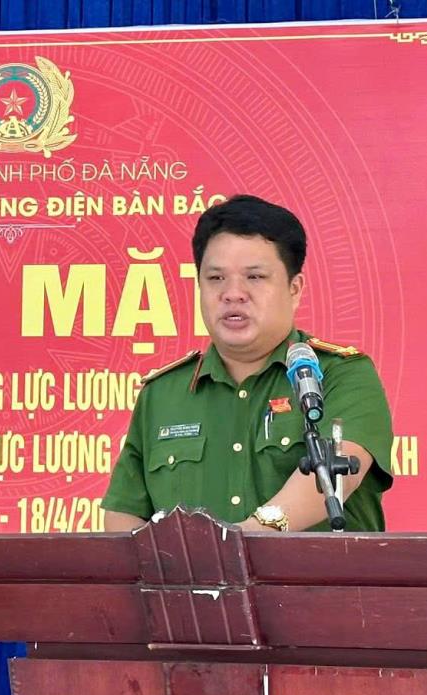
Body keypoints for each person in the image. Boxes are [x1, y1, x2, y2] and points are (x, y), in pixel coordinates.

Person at [101, 195, 394, 532]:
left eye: (254, 277)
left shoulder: (339, 374)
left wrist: (230, 547)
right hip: (188, 571)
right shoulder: (162, 393)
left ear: (294, 288)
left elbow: (334, 479)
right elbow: (123, 516)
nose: (233, 293)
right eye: (216, 278)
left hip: (312, 571)